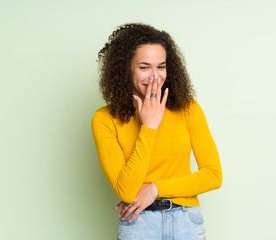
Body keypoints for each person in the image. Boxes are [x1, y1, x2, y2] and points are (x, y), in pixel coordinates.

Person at [91, 23, 222, 240]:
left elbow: (213, 175)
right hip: (140, 223)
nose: (155, 77)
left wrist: (155, 189)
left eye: (161, 67)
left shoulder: (188, 108)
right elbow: (126, 192)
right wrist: (149, 126)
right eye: (144, 67)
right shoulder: (105, 119)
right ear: (125, 69)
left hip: (186, 222)